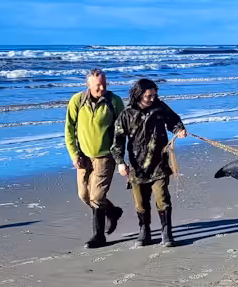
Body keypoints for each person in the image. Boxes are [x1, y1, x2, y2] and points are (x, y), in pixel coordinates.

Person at [111, 78, 187, 247]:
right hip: (137, 167)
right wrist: (120, 162)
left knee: (162, 198)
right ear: (139, 95)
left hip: (159, 163)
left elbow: (173, 120)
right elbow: (117, 140)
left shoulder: (160, 108)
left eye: (154, 94)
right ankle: (144, 231)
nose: (153, 98)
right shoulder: (127, 114)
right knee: (141, 203)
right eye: (148, 96)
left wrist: (179, 129)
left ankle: (166, 233)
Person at [64, 67, 125, 249]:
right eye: (98, 85)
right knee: (84, 196)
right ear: (88, 84)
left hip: (105, 156)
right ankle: (113, 212)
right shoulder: (77, 101)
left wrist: (120, 157)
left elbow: (122, 131)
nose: (102, 88)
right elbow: (69, 129)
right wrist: (74, 154)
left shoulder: (114, 101)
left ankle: (99, 236)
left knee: (97, 197)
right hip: (83, 157)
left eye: (104, 84)